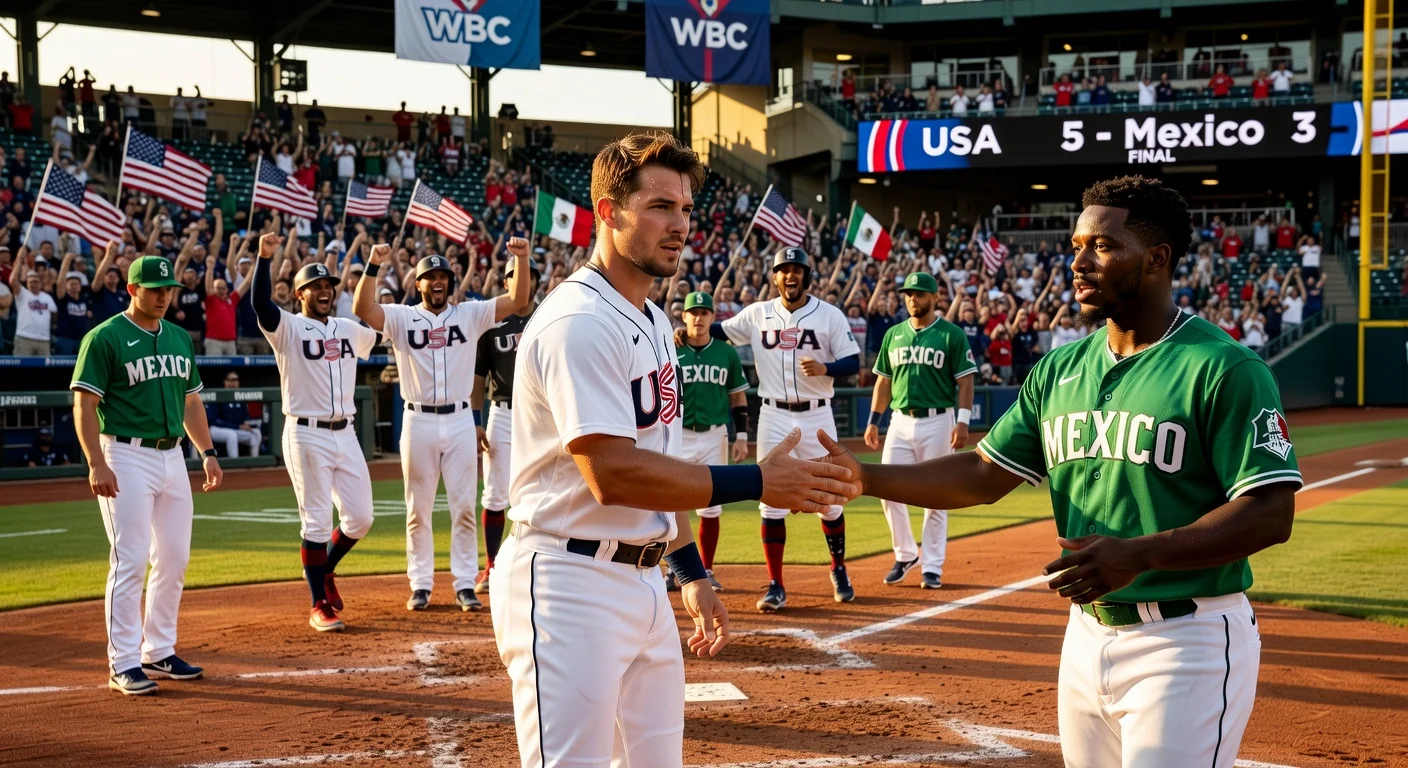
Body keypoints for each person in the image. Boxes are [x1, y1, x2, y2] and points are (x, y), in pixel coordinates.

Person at [815, 175, 1300, 768]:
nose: (1077, 262)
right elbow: (981, 474)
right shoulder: (1059, 369)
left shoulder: (1223, 367)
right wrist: (865, 478)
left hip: (1187, 637)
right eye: (1075, 246)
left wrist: (1140, 554)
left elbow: (1271, 512)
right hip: (1086, 634)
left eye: (1100, 246)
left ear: (1157, 259)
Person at [491, 131, 857, 768]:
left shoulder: (656, 321)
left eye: (686, 209)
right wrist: (756, 483)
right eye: (661, 206)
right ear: (608, 211)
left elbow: (662, 461)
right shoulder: (578, 321)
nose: (680, 224)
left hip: (644, 584)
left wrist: (689, 570)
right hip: (566, 581)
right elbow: (611, 472)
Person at [70, 254, 224, 695]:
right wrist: (95, 463)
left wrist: (208, 452)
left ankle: (158, 650)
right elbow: (83, 403)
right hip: (124, 454)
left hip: (173, 455)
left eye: (168, 289)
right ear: (132, 290)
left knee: (174, 557)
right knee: (131, 558)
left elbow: (192, 402)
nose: (163, 296)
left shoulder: (178, 337)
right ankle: (122, 661)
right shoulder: (105, 337)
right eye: (154, 289)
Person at [353, 238, 531, 613]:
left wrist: (522, 257)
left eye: (442, 277)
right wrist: (372, 265)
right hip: (417, 419)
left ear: (450, 283)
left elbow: (517, 300)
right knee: (417, 508)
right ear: (417, 284)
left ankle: (465, 584)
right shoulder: (402, 317)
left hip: (460, 418)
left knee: (463, 506)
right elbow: (363, 308)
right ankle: (420, 584)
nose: (436, 282)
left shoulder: (470, 314)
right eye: (429, 277)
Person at [686, 246, 862, 612]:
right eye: (784, 270)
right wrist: (682, 331)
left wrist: (827, 368)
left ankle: (839, 569)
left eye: (797, 269)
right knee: (770, 500)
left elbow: (853, 361)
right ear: (775, 277)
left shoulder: (828, 315)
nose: (790, 276)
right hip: (773, 415)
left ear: (806, 277)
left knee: (828, 498)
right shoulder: (757, 314)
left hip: (817, 415)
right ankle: (775, 584)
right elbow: (714, 329)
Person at [251, 233, 378, 633]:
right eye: (315, 287)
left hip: (346, 433)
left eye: (328, 286)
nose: (324, 291)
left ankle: (326, 570)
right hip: (306, 433)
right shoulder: (287, 328)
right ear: (300, 294)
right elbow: (259, 304)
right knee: (317, 522)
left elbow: (377, 323)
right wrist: (264, 258)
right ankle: (317, 603)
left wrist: (374, 271)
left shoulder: (348, 328)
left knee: (360, 518)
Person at [863, 272, 976, 590]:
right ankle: (905, 554)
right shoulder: (893, 334)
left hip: (939, 419)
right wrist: (874, 419)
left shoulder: (951, 334)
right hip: (899, 420)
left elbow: (965, 380)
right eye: (908, 294)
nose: (912, 299)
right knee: (886, 489)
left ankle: (933, 566)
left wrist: (963, 420)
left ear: (934, 298)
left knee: (936, 496)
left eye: (919, 294)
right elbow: (883, 381)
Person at [670, 291, 750, 591]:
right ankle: (674, 569)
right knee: (670, 503)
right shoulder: (670, 348)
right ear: (684, 317)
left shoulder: (726, 353)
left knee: (711, 507)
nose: (699, 318)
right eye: (694, 313)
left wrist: (741, 436)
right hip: (679, 434)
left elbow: (738, 396)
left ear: (713, 318)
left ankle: (707, 568)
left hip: (716, 434)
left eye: (705, 313)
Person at [471, 258, 542, 595]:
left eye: (526, 276)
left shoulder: (548, 317)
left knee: (541, 491)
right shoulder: (492, 323)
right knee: (496, 492)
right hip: (501, 411)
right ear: (505, 284)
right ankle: (492, 565)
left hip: (542, 414)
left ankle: (533, 564)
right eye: (514, 277)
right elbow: (478, 376)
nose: (520, 282)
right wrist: (475, 420)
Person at [206, 370, 262, 457]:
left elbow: (245, 416)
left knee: (256, 433)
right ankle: (234, 463)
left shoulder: (240, 396)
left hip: (235, 429)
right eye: (231, 380)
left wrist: (246, 424)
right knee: (232, 435)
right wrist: (238, 426)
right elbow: (214, 420)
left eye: (236, 380)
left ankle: (255, 461)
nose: (233, 383)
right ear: (225, 382)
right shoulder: (218, 394)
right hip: (216, 429)